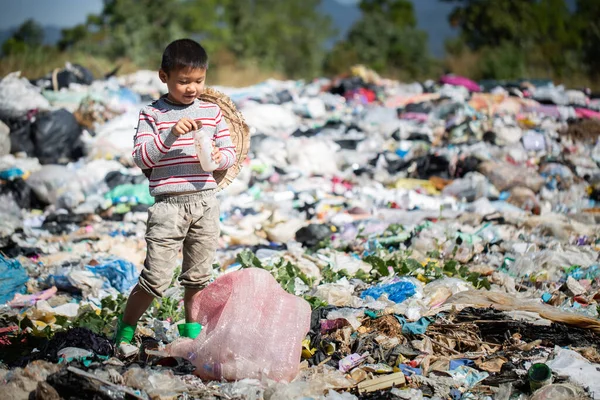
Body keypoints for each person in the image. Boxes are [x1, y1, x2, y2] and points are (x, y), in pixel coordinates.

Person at [114, 39, 236, 346]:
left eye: (198, 80)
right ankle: (125, 329)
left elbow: (230, 152)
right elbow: (141, 157)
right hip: (168, 206)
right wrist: (170, 134)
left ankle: (191, 337)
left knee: (198, 278)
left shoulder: (211, 112)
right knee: (155, 278)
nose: (192, 88)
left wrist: (220, 158)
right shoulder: (152, 114)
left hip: (206, 202)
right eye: (183, 81)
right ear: (163, 76)